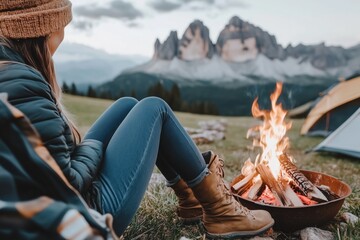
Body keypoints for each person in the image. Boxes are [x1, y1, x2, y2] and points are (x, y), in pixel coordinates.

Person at [0, 0, 274, 239]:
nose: (63, 32)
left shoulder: (10, 71)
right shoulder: (22, 82)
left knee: (127, 105)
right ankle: (221, 213)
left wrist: (86, 148)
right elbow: (66, 184)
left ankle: (191, 199)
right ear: (40, 29)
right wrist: (91, 147)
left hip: (43, 208)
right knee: (155, 108)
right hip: (79, 216)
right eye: (61, 23)